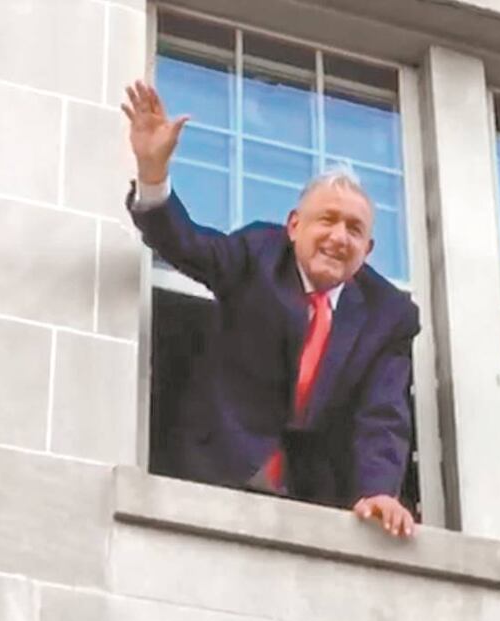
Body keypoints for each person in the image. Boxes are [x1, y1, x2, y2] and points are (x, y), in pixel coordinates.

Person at [121, 80, 418, 538]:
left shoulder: (389, 313)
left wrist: (379, 490)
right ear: (294, 226)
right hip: (214, 471)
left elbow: (383, 413)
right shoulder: (258, 254)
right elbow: (189, 246)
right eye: (327, 220)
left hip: (313, 503)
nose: (340, 237)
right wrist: (153, 174)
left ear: (369, 248)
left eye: (354, 229)